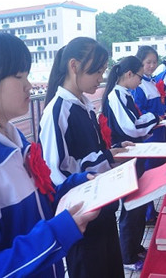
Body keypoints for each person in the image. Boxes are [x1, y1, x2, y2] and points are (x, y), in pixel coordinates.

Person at [0, 30, 99, 277]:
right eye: (19, 76)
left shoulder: (15, 139)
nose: (29, 85)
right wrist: (57, 233)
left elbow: (40, 204)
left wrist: (76, 184)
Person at [39, 37, 125, 278]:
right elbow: (56, 173)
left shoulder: (84, 105)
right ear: (74, 66)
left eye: (103, 71)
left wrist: (110, 155)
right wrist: (106, 158)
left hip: (102, 207)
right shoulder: (57, 111)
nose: (100, 78)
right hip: (82, 217)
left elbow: (88, 153)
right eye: (96, 72)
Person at [101, 55, 161, 272]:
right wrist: (153, 118)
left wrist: (148, 119)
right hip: (124, 157)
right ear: (129, 74)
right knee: (131, 205)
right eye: (139, 76)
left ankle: (134, 247)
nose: (140, 81)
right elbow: (131, 128)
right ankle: (127, 255)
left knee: (137, 203)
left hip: (133, 154)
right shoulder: (115, 95)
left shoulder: (124, 94)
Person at [132, 46, 166, 226]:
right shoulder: (138, 86)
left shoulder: (151, 81)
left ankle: (151, 210)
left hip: (159, 130)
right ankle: (148, 213)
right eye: (148, 62)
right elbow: (139, 110)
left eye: (154, 62)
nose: (152, 66)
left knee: (153, 173)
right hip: (149, 135)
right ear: (140, 63)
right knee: (147, 174)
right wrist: (155, 117)